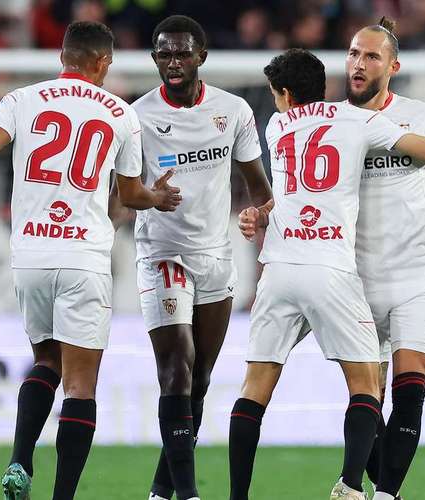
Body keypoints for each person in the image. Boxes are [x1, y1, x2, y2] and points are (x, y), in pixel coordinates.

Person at [0, 21, 181, 500]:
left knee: (45, 360)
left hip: (30, 253)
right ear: (103, 63)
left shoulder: (20, 99)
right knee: (80, 385)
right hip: (84, 257)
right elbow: (129, 194)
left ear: (62, 56)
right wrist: (157, 197)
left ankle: (18, 459)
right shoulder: (120, 113)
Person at [232, 48, 425, 500]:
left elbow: (299, 190)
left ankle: (237, 495)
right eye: (354, 54)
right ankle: (352, 486)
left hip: (277, 269)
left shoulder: (277, 125)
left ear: (283, 93)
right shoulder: (355, 120)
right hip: (335, 268)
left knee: (255, 386)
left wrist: (260, 211)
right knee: (365, 388)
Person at [130, 15, 272, 500]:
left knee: (201, 379)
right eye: (164, 54)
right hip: (162, 254)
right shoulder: (138, 116)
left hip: (215, 256)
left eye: (182, 53)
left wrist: (260, 218)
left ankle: (160, 490)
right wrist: (149, 198)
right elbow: (124, 193)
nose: (173, 62)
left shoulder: (232, 111)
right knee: (177, 365)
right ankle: (189, 495)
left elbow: (258, 187)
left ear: (201, 57)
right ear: (154, 59)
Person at [343, 19, 425, 500]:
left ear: (392, 67)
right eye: (354, 53)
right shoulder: (334, 121)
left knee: (410, 390)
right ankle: (377, 481)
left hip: (416, 272)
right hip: (352, 279)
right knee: (364, 405)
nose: (359, 63)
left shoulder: (421, 116)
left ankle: (384, 496)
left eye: (371, 56)